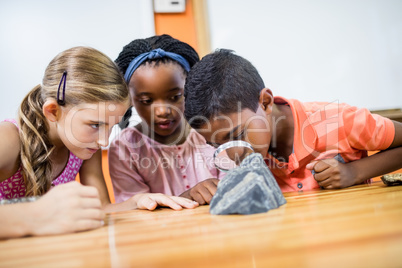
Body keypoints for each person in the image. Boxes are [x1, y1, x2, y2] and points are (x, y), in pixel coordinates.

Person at [0, 46, 198, 238]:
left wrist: (136, 202)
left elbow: (102, 209)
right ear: (53, 111)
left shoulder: (82, 148)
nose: (104, 141)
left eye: (111, 126)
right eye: (95, 124)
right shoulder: (8, 139)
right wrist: (35, 215)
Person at [183, 49, 402, 192]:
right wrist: (195, 194)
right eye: (218, 145)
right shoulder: (249, 154)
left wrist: (354, 173)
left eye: (238, 135)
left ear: (266, 102)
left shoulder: (337, 120)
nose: (233, 154)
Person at [109, 35, 222, 205]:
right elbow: (135, 211)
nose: (162, 111)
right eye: (147, 101)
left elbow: (238, 184)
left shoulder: (214, 130)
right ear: (129, 98)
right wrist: (187, 197)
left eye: (175, 96)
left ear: (190, 87)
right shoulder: (125, 148)